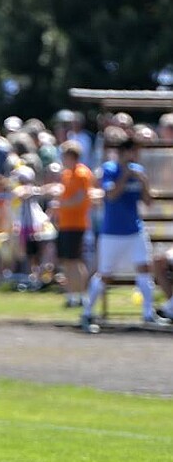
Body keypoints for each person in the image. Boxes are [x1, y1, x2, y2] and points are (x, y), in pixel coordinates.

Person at [81, 138, 170, 328]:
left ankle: (148, 314)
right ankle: (87, 312)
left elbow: (148, 201)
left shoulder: (138, 171)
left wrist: (143, 181)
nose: (136, 156)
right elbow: (111, 195)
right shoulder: (110, 169)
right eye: (133, 152)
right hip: (112, 232)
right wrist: (125, 176)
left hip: (134, 230)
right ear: (124, 152)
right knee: (105, 275)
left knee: (144, 269)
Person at [52, 141, 93, 307]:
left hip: (76, 224)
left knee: (75, 260)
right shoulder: (67, 174)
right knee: (67, 261)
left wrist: (61, 205)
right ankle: (71, 296)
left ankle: (82, 295)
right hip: (65, 224)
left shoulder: (82, 173)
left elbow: (81, 197)